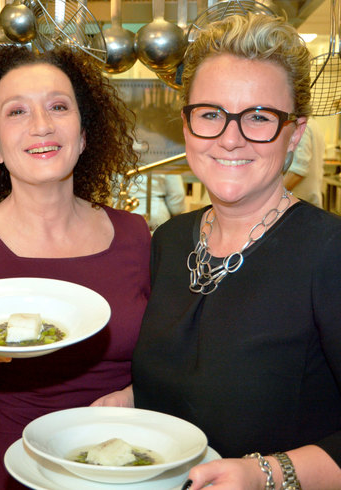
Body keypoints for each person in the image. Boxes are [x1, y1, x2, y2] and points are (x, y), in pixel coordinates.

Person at [0, 45, 151, 489]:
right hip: (28, 476)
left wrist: (137, 394)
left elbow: (173, 367)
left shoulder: (137, 236)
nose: (41, 125)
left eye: (58, 107)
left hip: (136, 468)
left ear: (84, 135)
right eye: (17, 111)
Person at [130, 13, 341, 489]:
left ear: (295, 133)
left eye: (259, 118)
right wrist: (129, 398)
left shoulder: (328, 253)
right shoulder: (170, 240)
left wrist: (265, 474)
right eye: (210, 114)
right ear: (186, 124)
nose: (230, 137)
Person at [284, 117, 326, 207]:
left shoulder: (303, 126)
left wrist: (271, 197)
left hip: (300, 204)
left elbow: (298, 172)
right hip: (307, 202)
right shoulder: (314, 124)